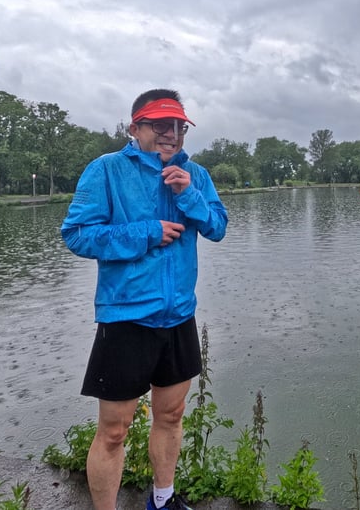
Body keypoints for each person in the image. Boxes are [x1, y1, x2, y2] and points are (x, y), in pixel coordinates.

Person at [61, 89, 228, 510]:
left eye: (179, 126)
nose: (172, 134)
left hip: (179, 315)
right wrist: (147, 232)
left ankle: (163, 499)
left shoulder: (196, 174)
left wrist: (189, 195)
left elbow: (218, 227)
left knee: (171, 415)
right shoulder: (106, 170)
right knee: (114, 430)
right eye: (161, 125)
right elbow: (76, 234)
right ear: (135, 127)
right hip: (126, 317)